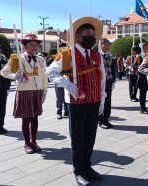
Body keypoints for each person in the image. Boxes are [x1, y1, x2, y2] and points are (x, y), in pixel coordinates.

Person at [46, 17, 106, 185]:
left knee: (90, 137)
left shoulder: (96, 55)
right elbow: (50, 73)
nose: (92, 37)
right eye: (88, 34)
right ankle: (78, 170)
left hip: (94, 101)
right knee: (78, 137)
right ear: (78, 36)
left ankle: (87, 166)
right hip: (76, 103)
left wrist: (102, 100)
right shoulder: (67, 54)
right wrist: (69, 86)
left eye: (93, 34)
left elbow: (102, 79)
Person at [1, 34, 48, 153]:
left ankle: (34, 141)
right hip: (24, 91)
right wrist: (14, 76)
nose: (34, 47)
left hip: (37, 91)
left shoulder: (41, 59)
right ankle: (27, 143)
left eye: (36, 45)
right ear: (24, 46)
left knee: (35, 118)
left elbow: (44, 77)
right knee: (26, 119)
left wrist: (44, 91)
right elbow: (3, 72)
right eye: (31, 45)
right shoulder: (17, 59)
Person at [99, 38, 117, 129]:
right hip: (100, 82)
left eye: (108, 45)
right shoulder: (97, 56)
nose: (107, 47)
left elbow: (114, 69)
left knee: (108, 101)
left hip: (109, 81)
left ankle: (106, 119)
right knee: (101, 101)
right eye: (104, 45)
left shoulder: (111, 56)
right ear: (100, 45)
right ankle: (101, 120)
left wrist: (114, 81)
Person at [52, 43, 69, 119]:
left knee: (67, 96)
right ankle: (59, 112)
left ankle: (66, 111)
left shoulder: (69, 56)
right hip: (58, 80)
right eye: (61, 48)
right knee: (59, 97)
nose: (63, 49)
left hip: (67, 80)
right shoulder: (56, 57)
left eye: (64, 47)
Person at [138, 42, 148, 114]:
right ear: (143, 48)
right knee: (142, 94)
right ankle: (142, 108)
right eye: (147, 47)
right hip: (142, 77)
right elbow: (138, 66)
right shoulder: (139, 56)